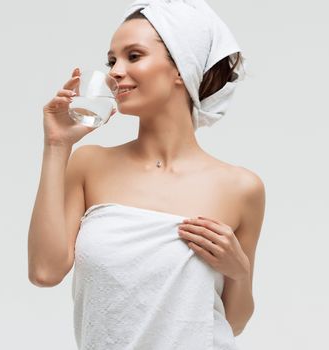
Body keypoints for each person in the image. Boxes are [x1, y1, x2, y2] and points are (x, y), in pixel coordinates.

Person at [28, 1, 265, 348]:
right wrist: (56, 145)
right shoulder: (89, 165)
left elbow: (234, 321)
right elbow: (45, 272)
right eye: (112, 61)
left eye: (133, 56)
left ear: (181, 68)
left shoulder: (242, 188)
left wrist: (238, 271)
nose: (114, 72)